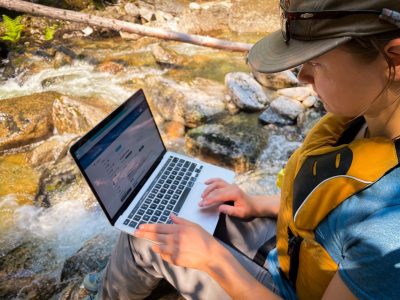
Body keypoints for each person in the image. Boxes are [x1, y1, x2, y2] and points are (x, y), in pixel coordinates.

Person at [91, 0, 400, 299]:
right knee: (181, 210)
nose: (302, 75)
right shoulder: (366, 118)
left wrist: (213, 259)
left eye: (317, 61)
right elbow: (337, 214)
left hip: (287, 288)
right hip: (290, 253)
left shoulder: (391, 230)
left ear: (395, 58)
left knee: (144, 237)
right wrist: (256, 204)